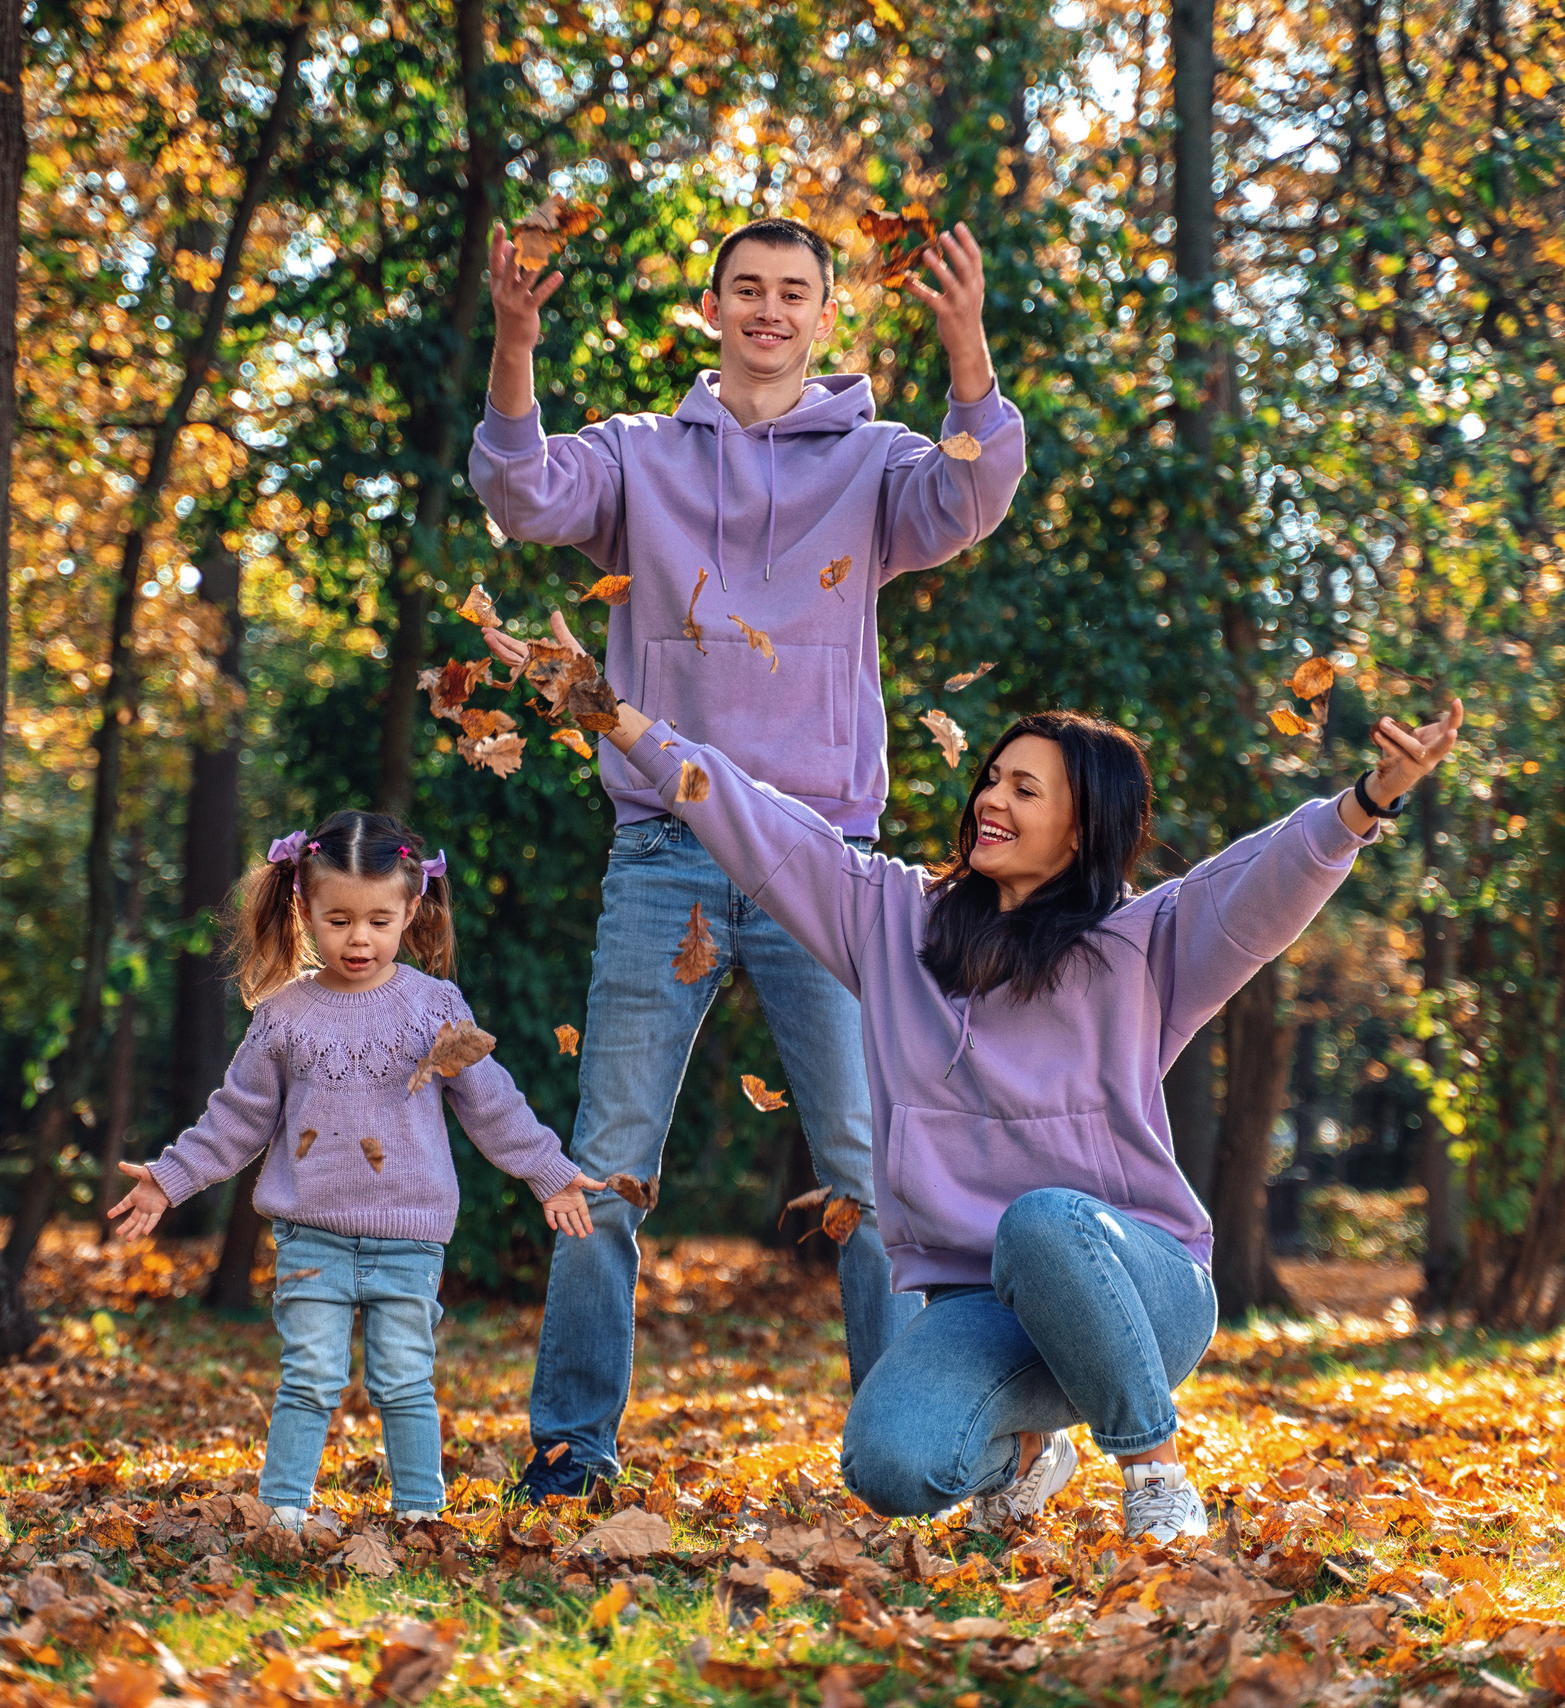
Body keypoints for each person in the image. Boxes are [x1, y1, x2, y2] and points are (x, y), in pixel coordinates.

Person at [526, 609, 1461, 1539]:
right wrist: (609, 713)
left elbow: (1267, 879)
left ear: (1083, 829)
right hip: (987, 1311)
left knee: (1043, 1218)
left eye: (1026, 790)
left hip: (1140, 1285)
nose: (991, 802)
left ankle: (1155, 1472)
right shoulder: (892, 918)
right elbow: (750, 816)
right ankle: (1028, 1452)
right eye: (992, 780)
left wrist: (1372, 798)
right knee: (889, 1465)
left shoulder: (1142, 946)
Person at [469, 213, 1028, 1499]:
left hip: (821, 859)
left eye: (794, 292)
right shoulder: (641, 457)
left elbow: (971, 495)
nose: (769, 310)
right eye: (747, 290)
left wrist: (967, 350)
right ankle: (569, 1449)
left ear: (824, 317)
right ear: (711, 310)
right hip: (664, 845)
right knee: (603, 1163)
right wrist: (515, 341)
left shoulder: (879, 463)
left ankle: (920, 1449)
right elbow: (519, 490)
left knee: (873, 1176)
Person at [107, 811, 600, 1529]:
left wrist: (547, 1170)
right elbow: (237, 1117)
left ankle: (421, 1518)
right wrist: (169, 1176)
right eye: (338, 920)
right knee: (308, 1379)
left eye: (377, 920)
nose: (359, 939)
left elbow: (492, 1103)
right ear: (304, 911)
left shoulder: (435, 1008)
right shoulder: (283, 1015)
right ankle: (281, 1516)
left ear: (411, 910)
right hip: (312, 1239)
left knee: (404, 1381)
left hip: (409, 1238)